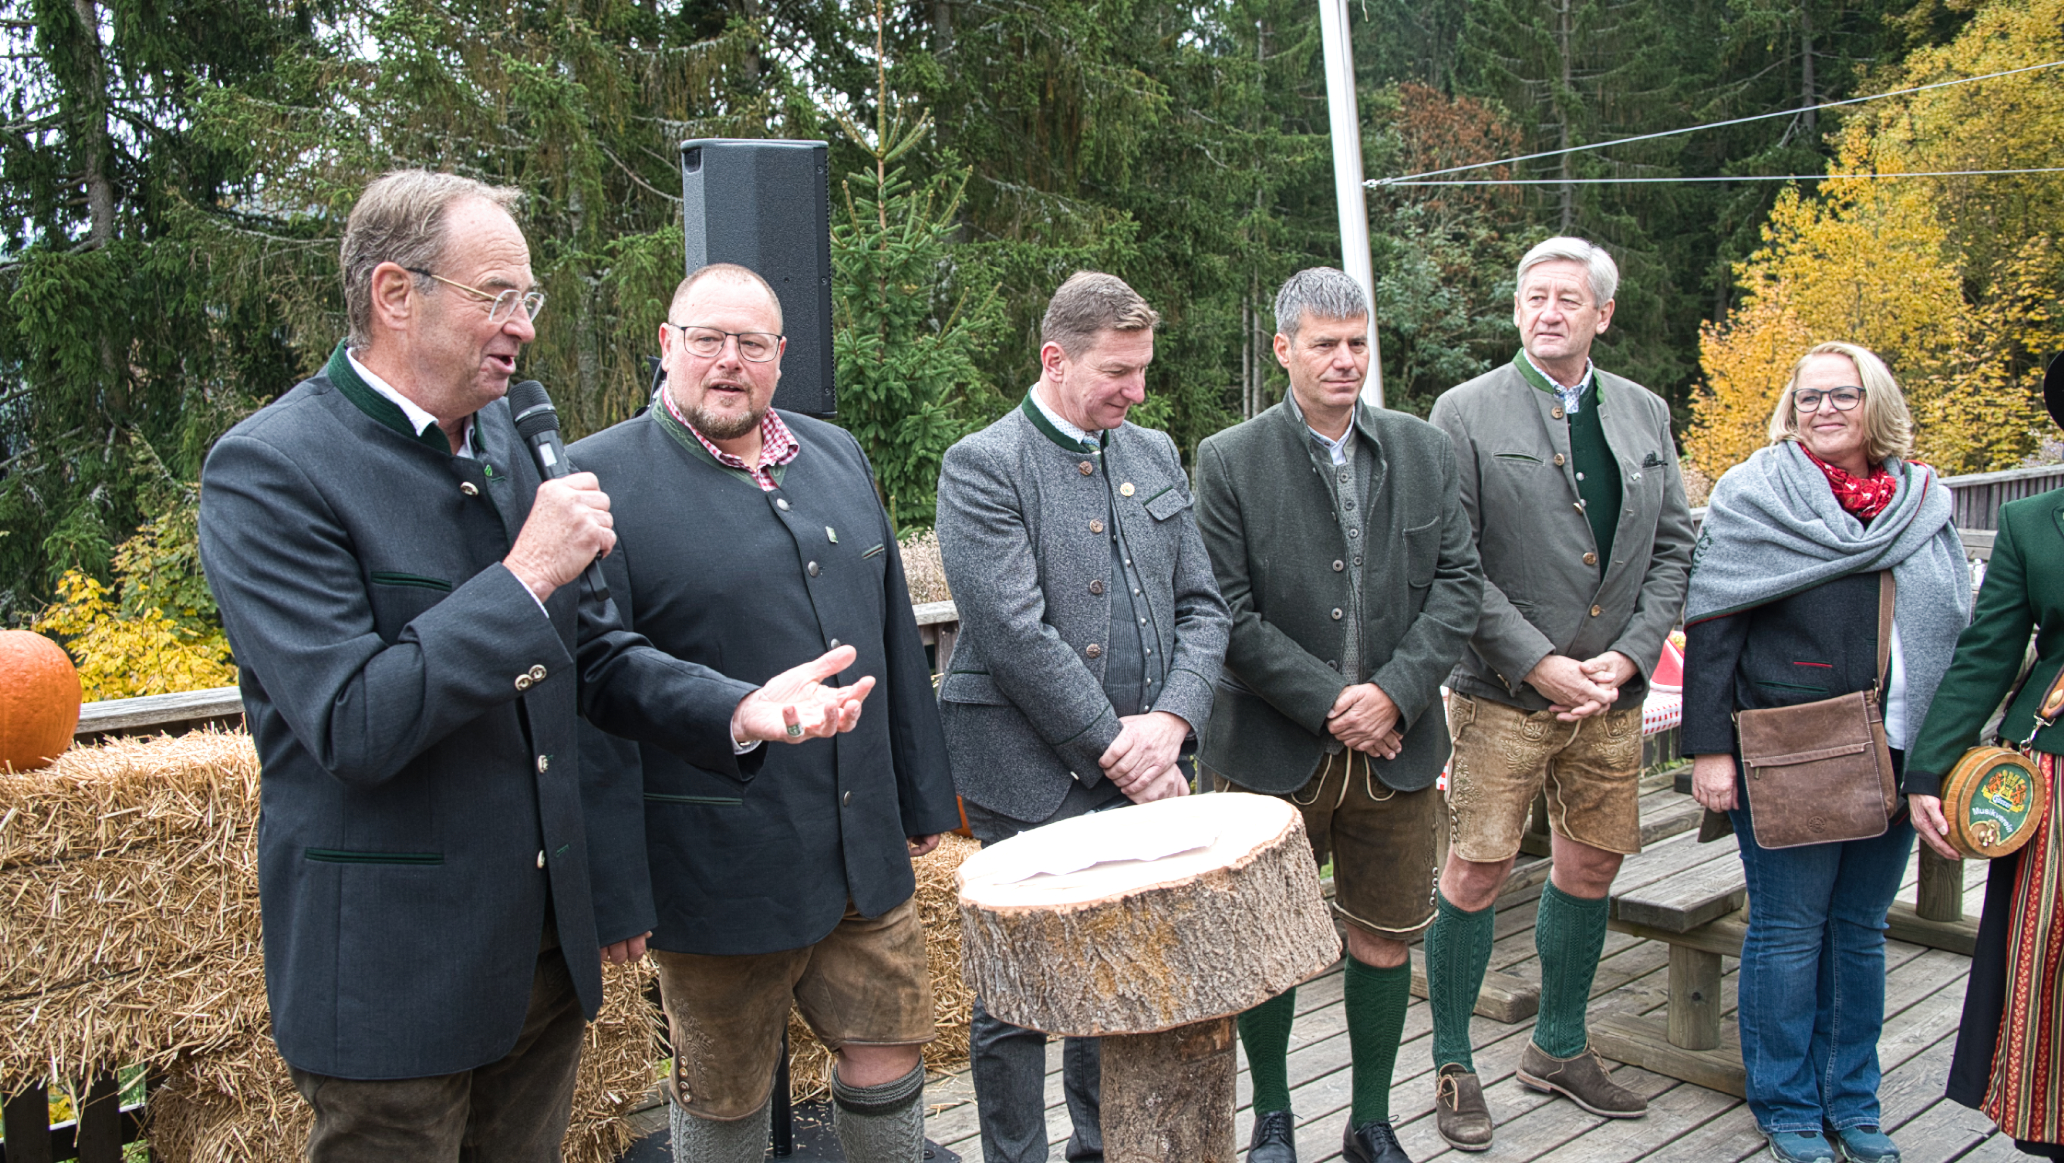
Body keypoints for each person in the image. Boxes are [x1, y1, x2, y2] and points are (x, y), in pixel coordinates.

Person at [197, 171, 870, 1163]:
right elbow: (353, 721)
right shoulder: (272, 469)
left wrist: (738, 710)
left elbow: (593, 656)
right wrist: (525, 576)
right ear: (395, 293)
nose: (523, 325)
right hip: (395, 980)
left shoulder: (511, 446)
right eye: (498, 296)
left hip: (540, 965)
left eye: (529, 297)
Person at [568, 262, 961, 1163]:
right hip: (715, 865)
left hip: (861, 846)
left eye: (751, 343)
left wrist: (920, 793)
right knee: (725, 1091)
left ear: (780, 356)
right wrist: (615, 886)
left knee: (891, 1046)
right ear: (667, 345)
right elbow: (596, 686)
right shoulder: (598, 477)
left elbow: (891, 629)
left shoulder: (836, 453)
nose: (728, 360)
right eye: (706, 338)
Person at [934, 270, 1230, 1163]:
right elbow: (1012, 633)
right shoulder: (983, 464)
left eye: (1143, 370)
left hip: (1150, 763)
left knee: (1123, 970)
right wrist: (1121, 750)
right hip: (1025, 773)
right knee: (1020, 992)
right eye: (1117, 372)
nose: (1136, 391)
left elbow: (1204, 607)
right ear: (1055, 359)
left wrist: (1171, 722)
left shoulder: (1154, 451)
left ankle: (1099, 1150)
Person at [1194, 268, 1484, 1163]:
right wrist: (1334, 704)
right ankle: (1274, 1117)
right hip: (1270, 749)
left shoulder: (1423, 448)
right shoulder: (1229, 458)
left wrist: (1394, 691)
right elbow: (1224, 609)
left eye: (1358, 342)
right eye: (1325, 343)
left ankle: (1370, 1120)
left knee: (1385, 937)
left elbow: (1460, 584)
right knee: (1267, 943)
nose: (1346, 359)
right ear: (1284, 349)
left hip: (1400, 747)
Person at [1423, 236, 1694, 1148]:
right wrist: (1537, 661)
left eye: (1568, 298)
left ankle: (1559, 1046)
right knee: (1477, 869)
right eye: (1534, 296)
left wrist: (1632, 657)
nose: (1548, 311)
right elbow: (1453, 560)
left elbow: (1674, 547)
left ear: (1601, 315)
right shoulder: (1464, 410)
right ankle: (1454, 1063)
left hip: (1611, 696)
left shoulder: (1646, 411)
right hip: (1503, 694)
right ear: (1516, 308)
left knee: (1592, 865)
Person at [1684, 341, 1966, 1163]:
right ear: (1791, 408)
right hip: (1793, 746)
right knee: (1788, 929)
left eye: (1843, 394)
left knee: (1860, 928)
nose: (1824, 410)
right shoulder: (1756, 494)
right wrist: (1709, 749)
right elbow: (1713, 622)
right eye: (1809, 397)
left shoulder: (1921, 501)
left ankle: (1852, 1099)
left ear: (1876, 403)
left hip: (1902, 744)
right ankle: (1787, 1104)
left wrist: (1945, 746)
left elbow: (1955, 619)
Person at [1907, 355, 2064, 1161]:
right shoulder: (2034, 522)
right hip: (2056, 769)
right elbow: (1988, 651)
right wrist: (1928, 768)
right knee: (2046, 956)